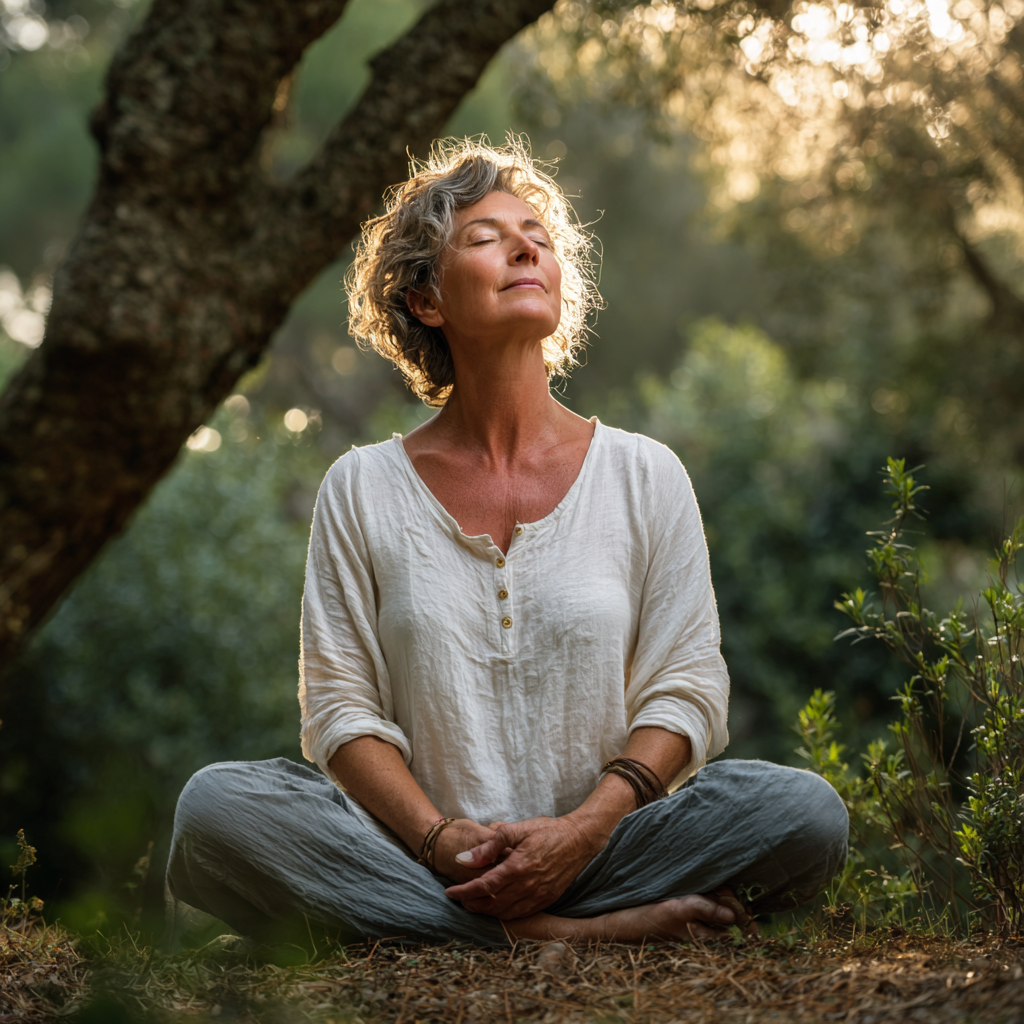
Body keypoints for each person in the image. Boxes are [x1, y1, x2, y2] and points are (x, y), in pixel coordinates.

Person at [166, 137, 848, 948]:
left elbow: (689, 685)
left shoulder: (644, 474)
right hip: (421, 858)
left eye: (539, 237)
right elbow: (342, 712)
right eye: (486, 238)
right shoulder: (362, 487)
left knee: (807, 813)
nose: (528, 246)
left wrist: (583, 832)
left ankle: (423, 927)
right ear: (426, 301)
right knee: (214, 809)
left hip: (611, 848)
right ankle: (563, 936)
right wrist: (439, 839)